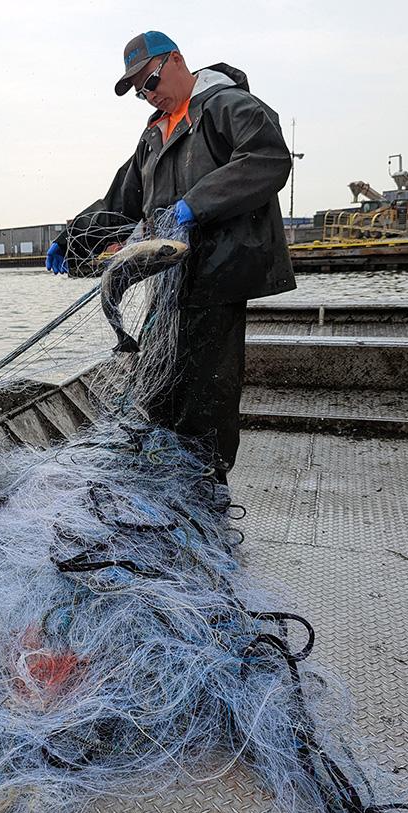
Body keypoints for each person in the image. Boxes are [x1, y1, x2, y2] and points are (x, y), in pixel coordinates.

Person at [46, 31, 296, 481]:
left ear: (177, 61)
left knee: (207, 393)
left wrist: (194, 205)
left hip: (218, 274)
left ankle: (208, 487)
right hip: (169, 279)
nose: (148, 94)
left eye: (152, 80)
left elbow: (267, 157)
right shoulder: (152, 137)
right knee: (158, 386)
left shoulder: (227, 105)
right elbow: (119, 202)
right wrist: (69, 238)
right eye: (139, 90)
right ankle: (167, 477)